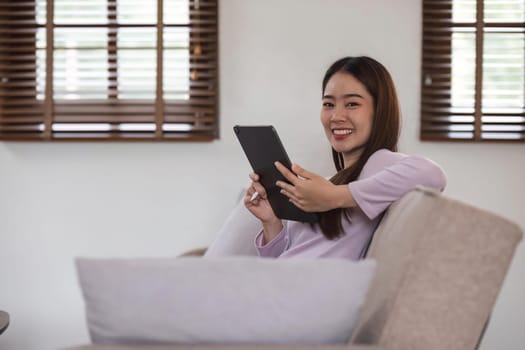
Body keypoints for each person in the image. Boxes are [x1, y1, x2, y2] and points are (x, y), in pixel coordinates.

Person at [244, 56, 446, 259]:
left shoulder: (379, 164)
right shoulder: (330, 183)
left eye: (351, 104)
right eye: (328, 104)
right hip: (280, 283)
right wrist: (270, 222)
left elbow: (432, 174)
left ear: (380, 110)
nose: (336, 116)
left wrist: (333, 197)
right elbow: (287, 259)